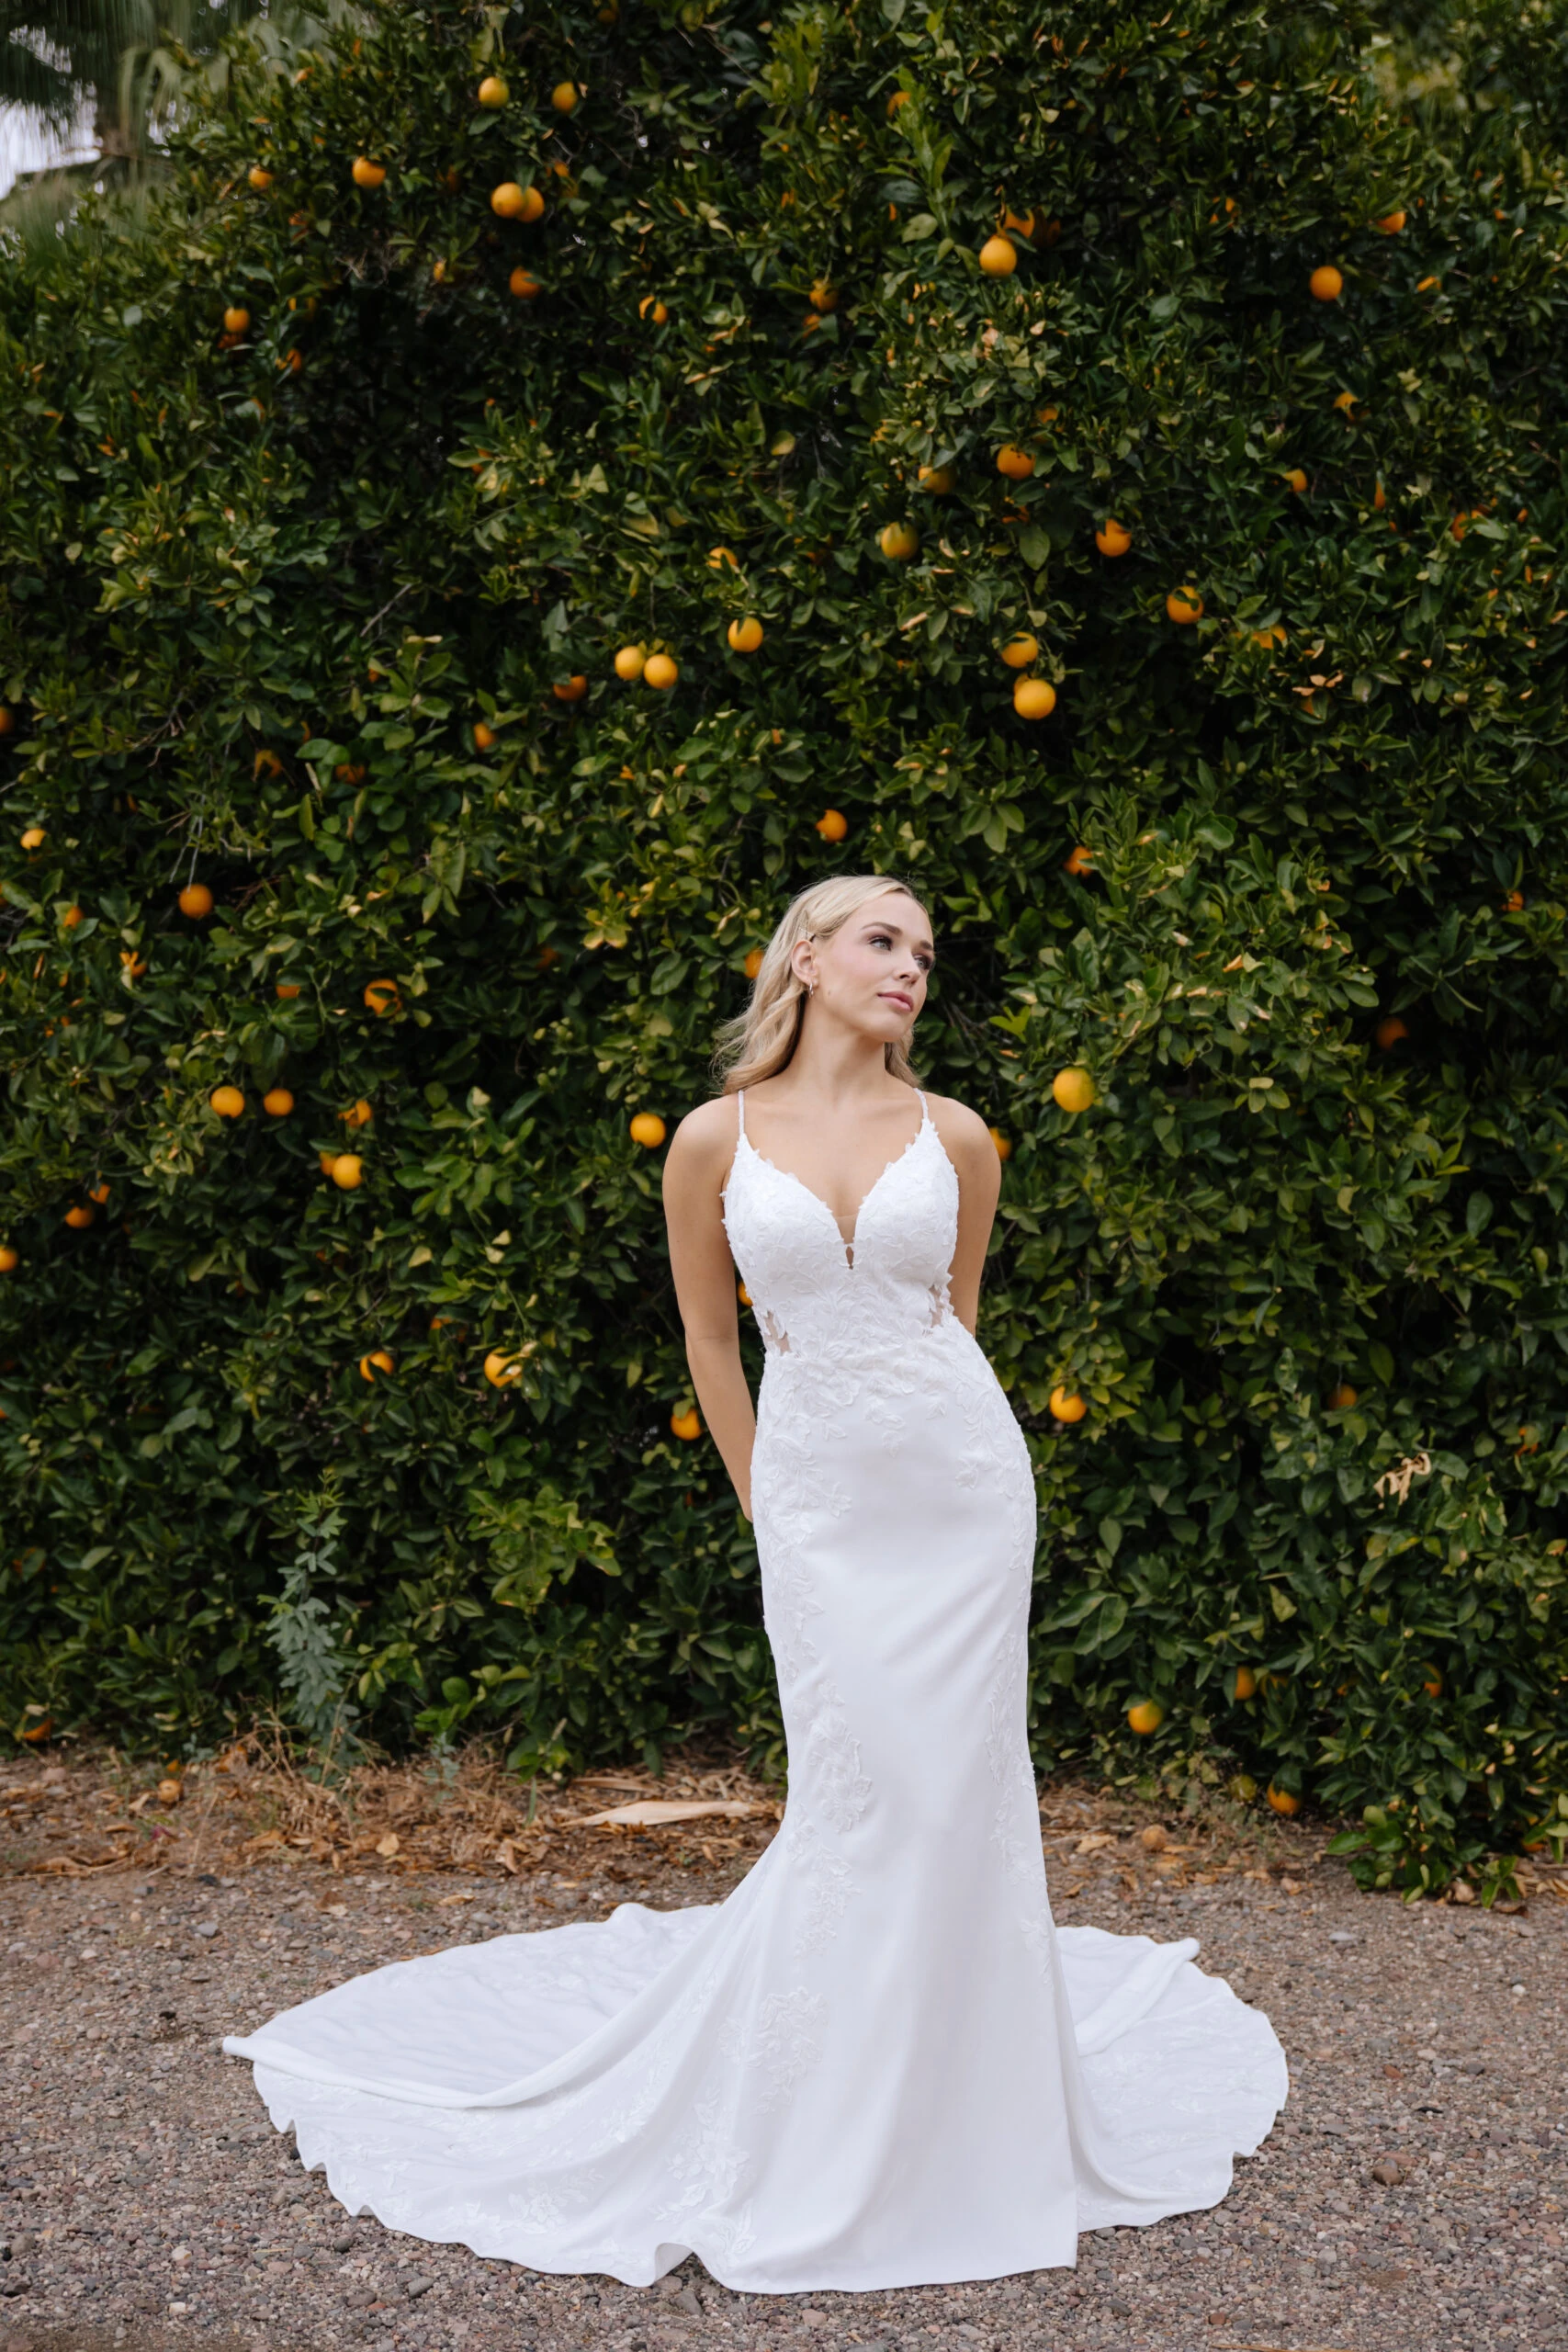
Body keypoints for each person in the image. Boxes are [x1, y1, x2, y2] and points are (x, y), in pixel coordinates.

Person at [222, 872, 1286, 2293]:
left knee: (958, 1787)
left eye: (923, 952)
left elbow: (949, 1322)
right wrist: (766, 1502)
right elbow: (714, 1350)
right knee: (860, 1789)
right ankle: (824, 2110)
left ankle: (966, 2119)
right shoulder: (711, 1141)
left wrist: (928, 1450)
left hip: (962, 1494)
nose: (910, 969)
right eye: (881, 941)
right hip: (817, 1499)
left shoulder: (957, 1134)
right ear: (804, 956)